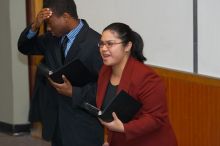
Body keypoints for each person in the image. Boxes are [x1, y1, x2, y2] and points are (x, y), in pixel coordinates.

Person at [17, 0, 103, 146]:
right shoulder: (51, 39)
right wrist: (34, 26)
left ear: (66, 17)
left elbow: (104, 88)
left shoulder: (96, 44)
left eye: (50, 23)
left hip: (83, 125)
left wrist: (73, 92)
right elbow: (25, 47)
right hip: (56, 122)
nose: (48, 29)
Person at [96, 22, 178, 146]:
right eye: (101, 44)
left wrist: (124, 128)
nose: (103, 49)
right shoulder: (105, 71)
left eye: (110, 44)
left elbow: (156, 118)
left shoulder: (146, 77)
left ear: (127, 46)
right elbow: (111, 113)